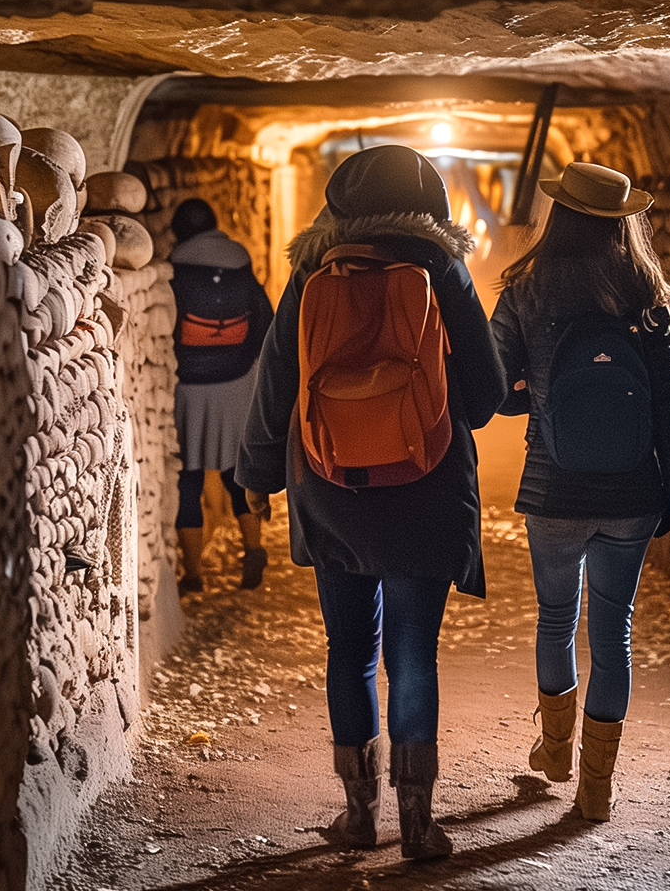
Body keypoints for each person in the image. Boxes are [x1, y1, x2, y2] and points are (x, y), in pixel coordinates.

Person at [237, 145, 505, 859]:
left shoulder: (312, 271)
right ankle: (418, 824)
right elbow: (483, 398)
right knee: (413, 653)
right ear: (429, 203)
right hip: (425, 483)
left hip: (331, 487)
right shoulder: (441, 268)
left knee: (349, 649)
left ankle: (358, 816)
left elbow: (276, 382)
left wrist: (257, 472)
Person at [489, 161, 670, 823]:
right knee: (614, 634)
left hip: (553, 488)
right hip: (631, 490)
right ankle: (596, 790)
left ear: (560, 213)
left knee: (555, 620)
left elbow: (494, 388)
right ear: (622, 221)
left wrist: (533, 401)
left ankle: (556, 752)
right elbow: (668, 398)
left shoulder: (525, 288)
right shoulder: (644, 290)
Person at [169, 198, 274, 592]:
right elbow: (265, 319)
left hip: (188, 389)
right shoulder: (240, 261)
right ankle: (253, 549)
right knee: (236, 475)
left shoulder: (176, 266)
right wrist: (250, 365)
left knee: (188, 479)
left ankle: (193, 573)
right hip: (236, 385)